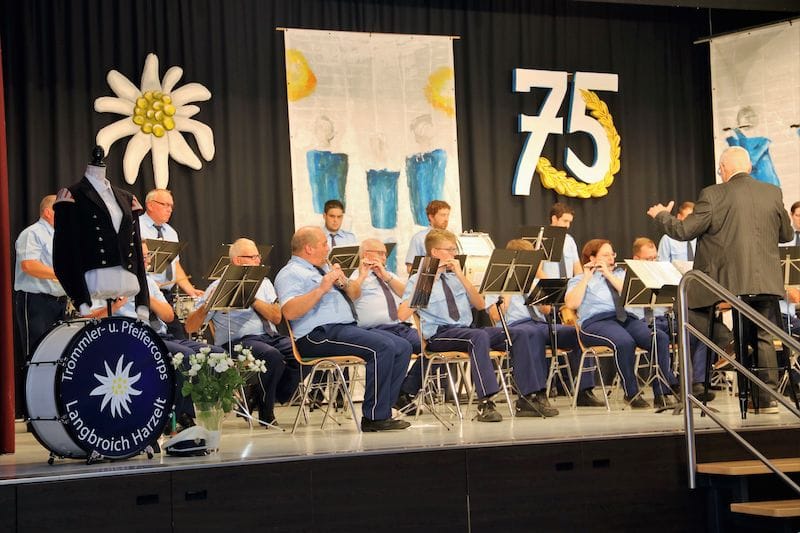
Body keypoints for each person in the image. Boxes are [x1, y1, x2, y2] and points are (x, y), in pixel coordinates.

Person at [648, 146, 793, 414]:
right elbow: (787, 235)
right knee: (762, 333)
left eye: (720, 170)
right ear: (748, 167)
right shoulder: (772, 192)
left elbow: (684, 230)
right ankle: (766, 400)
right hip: (766, 282)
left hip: (726, 285)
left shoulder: (713, 194)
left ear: (724, 169)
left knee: (690, 310)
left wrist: (661, 216)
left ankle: (704, 374)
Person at [404, 229, 558, 420]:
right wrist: (426, 282)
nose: (454, 254)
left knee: (520, 333)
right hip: (440, 334)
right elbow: (402, 314)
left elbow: (480, 305)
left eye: (454, 249)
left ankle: (528, 397)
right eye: (450, 249)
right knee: (479, 336)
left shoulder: (456, 278)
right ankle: (485, 402)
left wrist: (461, 276)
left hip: (466, 330)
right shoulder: (417, 280)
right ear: (435, 252)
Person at [274, 227, 412, 432]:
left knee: (402, 346)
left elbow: (355, 294)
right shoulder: (290, 273)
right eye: (324, 244)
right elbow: (289, 312)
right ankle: (374, 417)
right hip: (316, 335)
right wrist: (321, 289)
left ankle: (385, 409)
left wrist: (344, 282)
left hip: (342, 329)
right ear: (309, 248)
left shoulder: (323, 268)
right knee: (382, 347)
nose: (328, 248)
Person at [85, 241, 223, 430]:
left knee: (214, 354)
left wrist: (144, 295)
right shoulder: (106, 280)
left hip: (159, 335)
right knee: (185, 356)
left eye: (147, 255)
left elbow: (168, 316)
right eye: (142, 256)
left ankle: (204, 411)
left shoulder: (148, 281)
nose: (148, 260)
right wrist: (116, 306)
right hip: (132, 338)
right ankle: (175, 416)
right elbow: (88, 318)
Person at [186, 238, 300, 427]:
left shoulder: (264, 283)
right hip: (238, 341)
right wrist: (206, 306)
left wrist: (251, 297)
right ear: (237, 261)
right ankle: (266, 411)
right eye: (253, 257)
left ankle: (263, 396)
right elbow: (190, 327)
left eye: (258, 256)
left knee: (301, 350)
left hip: (270, 336)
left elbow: (277, 317)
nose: (258, 261)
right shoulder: (218, 286)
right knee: (271, 356)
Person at [485, 239, 604, 407]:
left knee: (577, 332)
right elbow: (495, 315)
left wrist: (542, 299)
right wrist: (510, 287)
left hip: (539, 325)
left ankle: (584, 390)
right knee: (531, 334)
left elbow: (547, 311)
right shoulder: (499, 281)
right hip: (515, 327)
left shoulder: (533, 281)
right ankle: (536, 393)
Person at [564, 239, 678, 409]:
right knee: (624, 342)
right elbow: (571, 303)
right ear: (592, 258)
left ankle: (661, 393)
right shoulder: (578, 279)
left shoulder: (620, 274)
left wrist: (608, 275)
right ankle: (631, 393)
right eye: (605, 255)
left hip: (625, 318)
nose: (611, 258)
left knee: (659, 337)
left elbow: (629, 294)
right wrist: (587, 277)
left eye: (612, 254)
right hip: (596, 322)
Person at [53, 146, 149, 320]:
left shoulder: (127, 198)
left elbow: (135, 249)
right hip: (94, 279)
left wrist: (142, 302)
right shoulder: (72, 195)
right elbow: (63, 253)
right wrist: (81, 300)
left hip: (127, 279)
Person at [629, 237, 716, 402]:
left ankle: (697, 382)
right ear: (636, 259)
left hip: (665, 318)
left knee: (700, 331)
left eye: (655, 258)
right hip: (642, 322)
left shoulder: (663, 274)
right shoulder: (628, 277)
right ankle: (672, 384)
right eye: (648, 259)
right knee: (659, 338)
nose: (653, 262)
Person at [350, 239, 422, 412]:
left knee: (433, 345)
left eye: (385, 254)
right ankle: (388, 402)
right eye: (380, 253)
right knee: (397, 348)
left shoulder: (390, 275)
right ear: (366, 254)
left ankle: (404, 389)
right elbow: (350, 295)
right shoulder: (354, 277)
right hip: (374, 330)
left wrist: (386, 277)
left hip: (400, 326)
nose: (384, 257)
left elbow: (408, 295)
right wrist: (363, 275)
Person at [139, 188, 204, 339]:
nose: (169, 209)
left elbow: (175, 265)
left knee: (178, 337)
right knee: (154, 338)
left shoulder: (171, 232)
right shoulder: (136, 226)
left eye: (171, 206)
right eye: (165, 205)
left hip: (166, 295)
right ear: (150, 205)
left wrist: (190, 290)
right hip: (147, 294)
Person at [13, 194, 67, 355]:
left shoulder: (61, 236)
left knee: (56, 354)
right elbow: (28, 265)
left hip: (59, 302)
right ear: (48, 212)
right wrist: (62, 274)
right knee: (37, 353)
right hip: (37, 302)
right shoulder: (32, 233)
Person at [405, 199, 450, 273]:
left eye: (448, 215)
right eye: (443, 215)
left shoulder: (450, 238)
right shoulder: (419, 238)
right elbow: (410, 268)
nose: (446, 219)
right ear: (431, 217)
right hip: (429, 278)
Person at [541, 202, 582, 278]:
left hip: (568, 283)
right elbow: (537, 270)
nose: (568, 226)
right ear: (554, 219)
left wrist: (578, 282)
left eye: (569, 222)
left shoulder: (569, 240)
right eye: (565, 221)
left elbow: (577, 268)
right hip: (547, 284)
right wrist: (551, 284)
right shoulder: (541, 238)